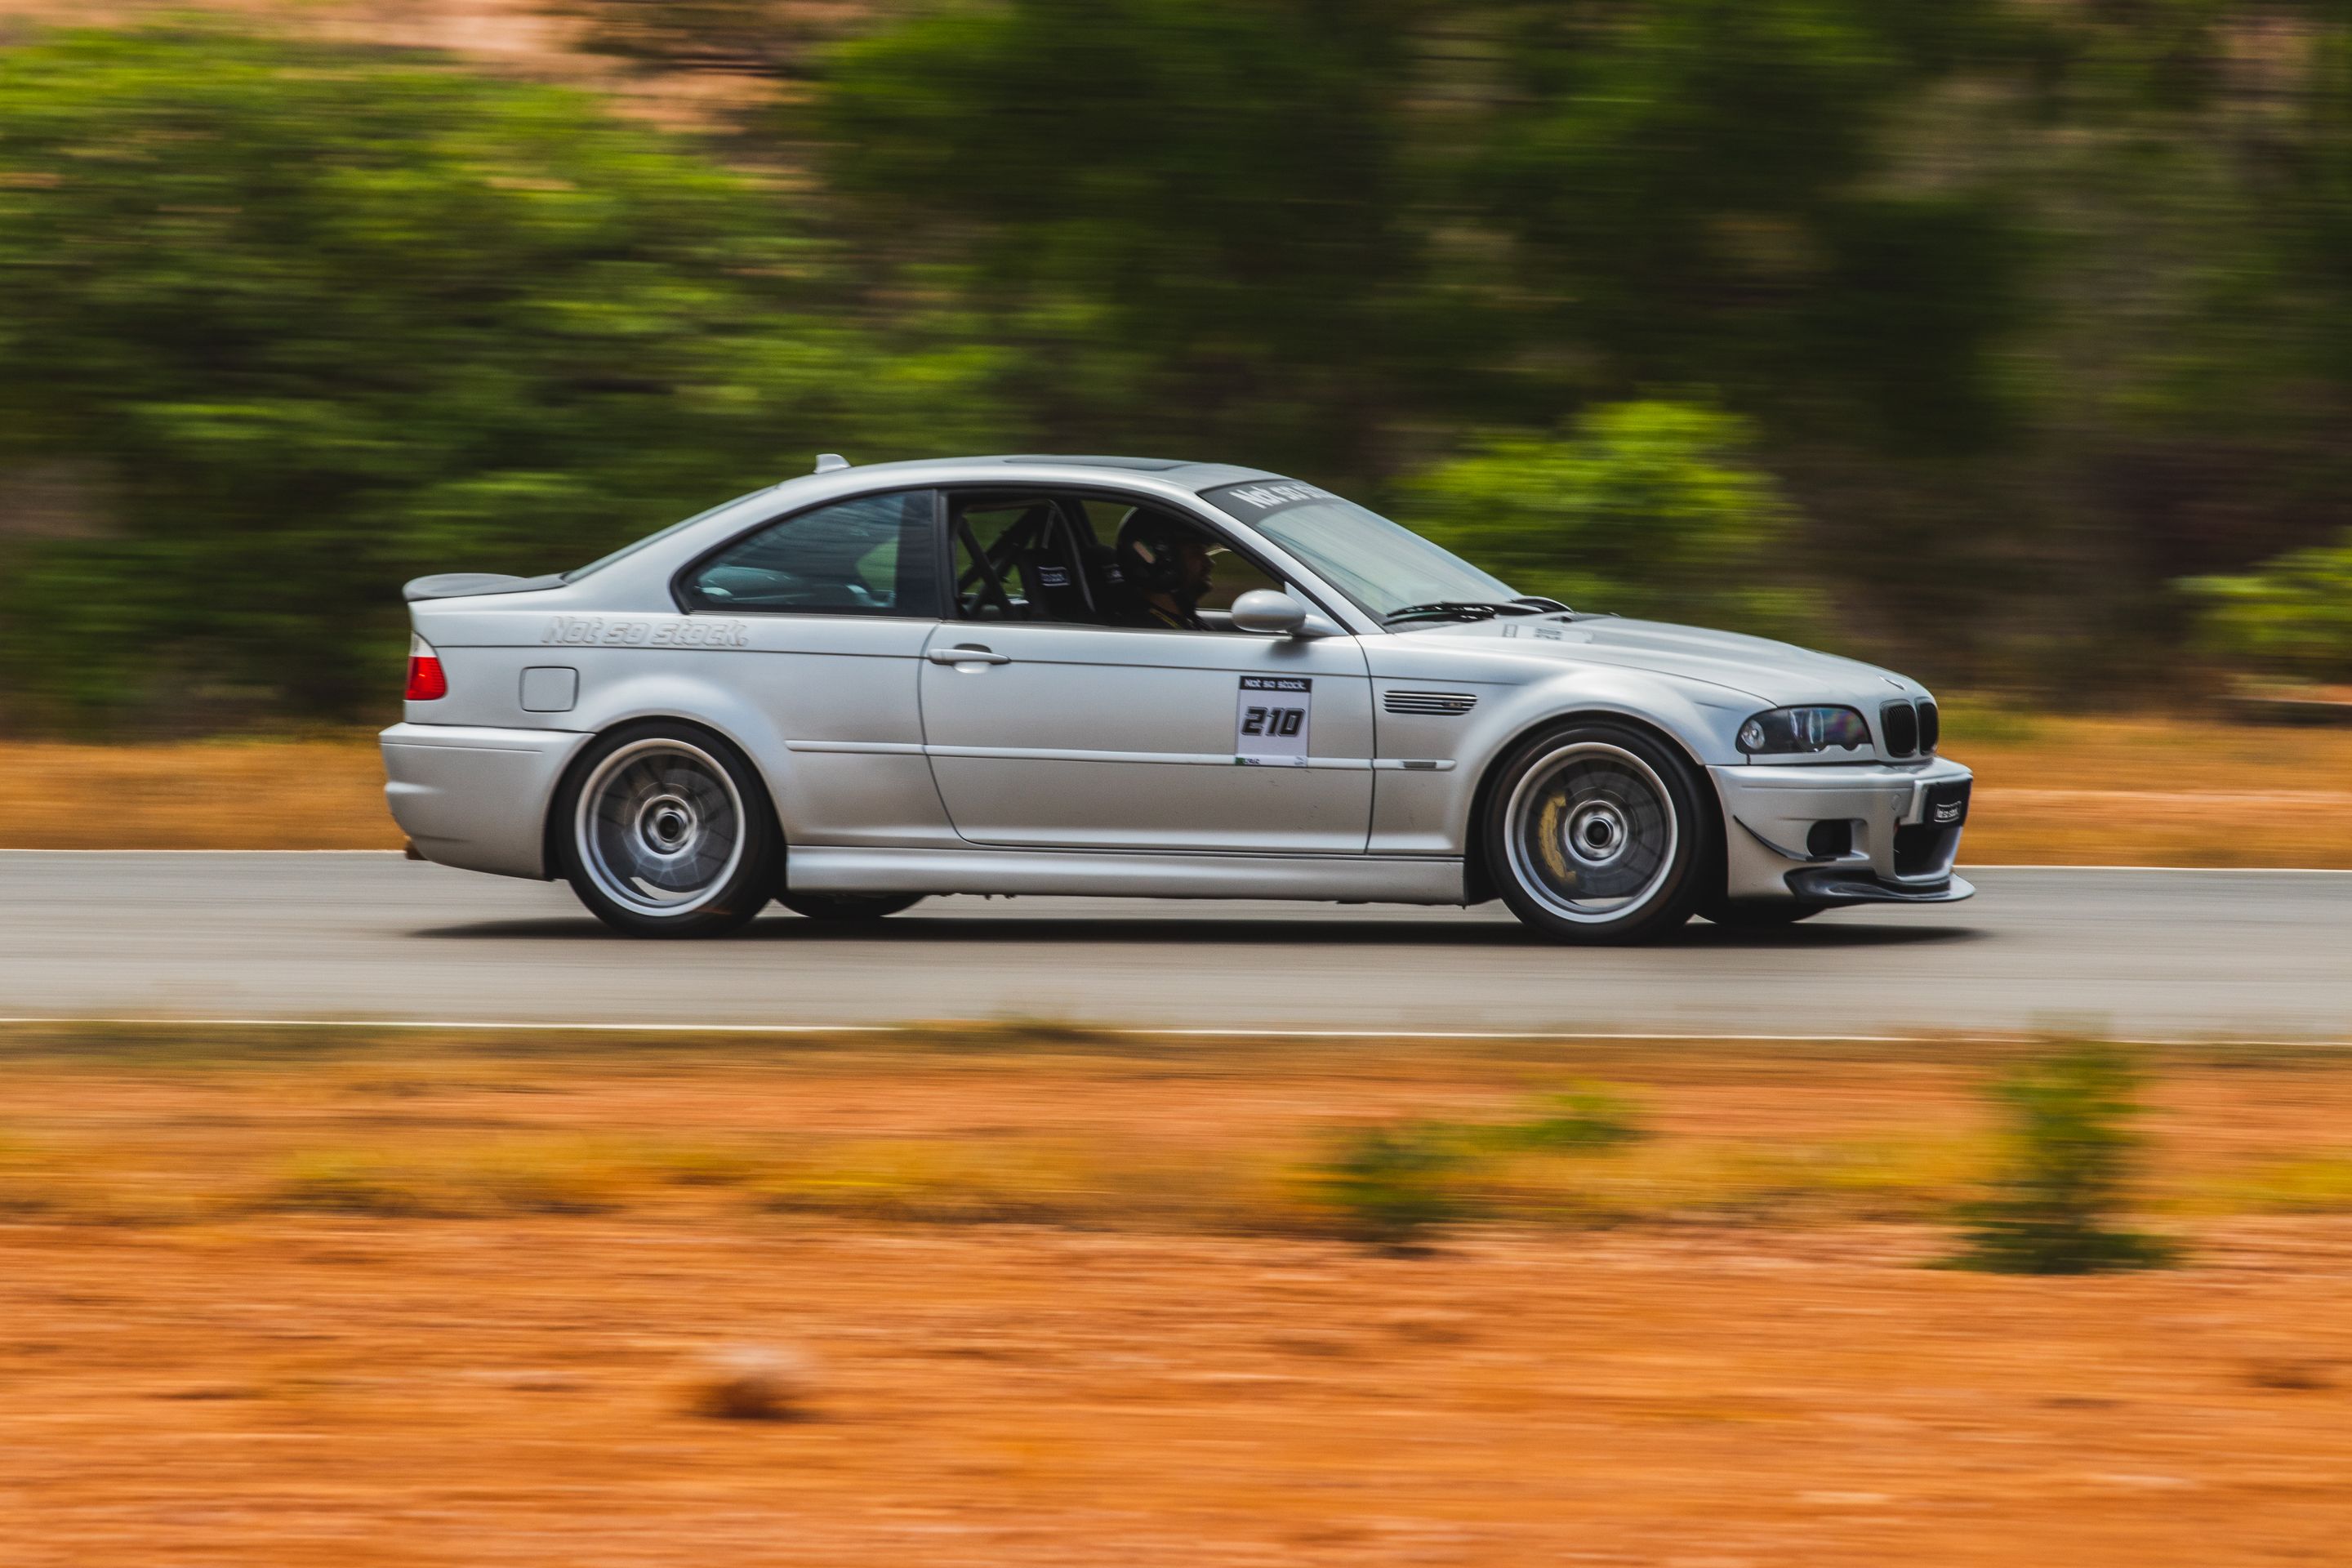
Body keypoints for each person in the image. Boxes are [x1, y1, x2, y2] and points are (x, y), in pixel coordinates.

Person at [1114, 510, 1214, 630]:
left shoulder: (1190, 621)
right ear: (1163, 561)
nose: (1211, 563)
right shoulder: (1147, 633)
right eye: (1196, 551)